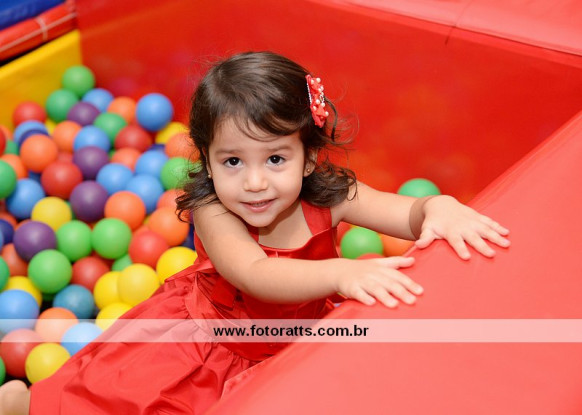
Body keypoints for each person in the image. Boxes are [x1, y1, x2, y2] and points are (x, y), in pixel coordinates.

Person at [0, 51, 510, 415]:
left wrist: (438, 207)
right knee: (110, 401)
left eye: (275, 159)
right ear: (207, 162)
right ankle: (24, 403)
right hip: (204, 349)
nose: (255, 182)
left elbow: (407, 212)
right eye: (232, 161)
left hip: (291, 347)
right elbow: (255, 273)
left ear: (308, 157)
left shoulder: (331, 195)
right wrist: (341, 273)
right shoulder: (214, 210)